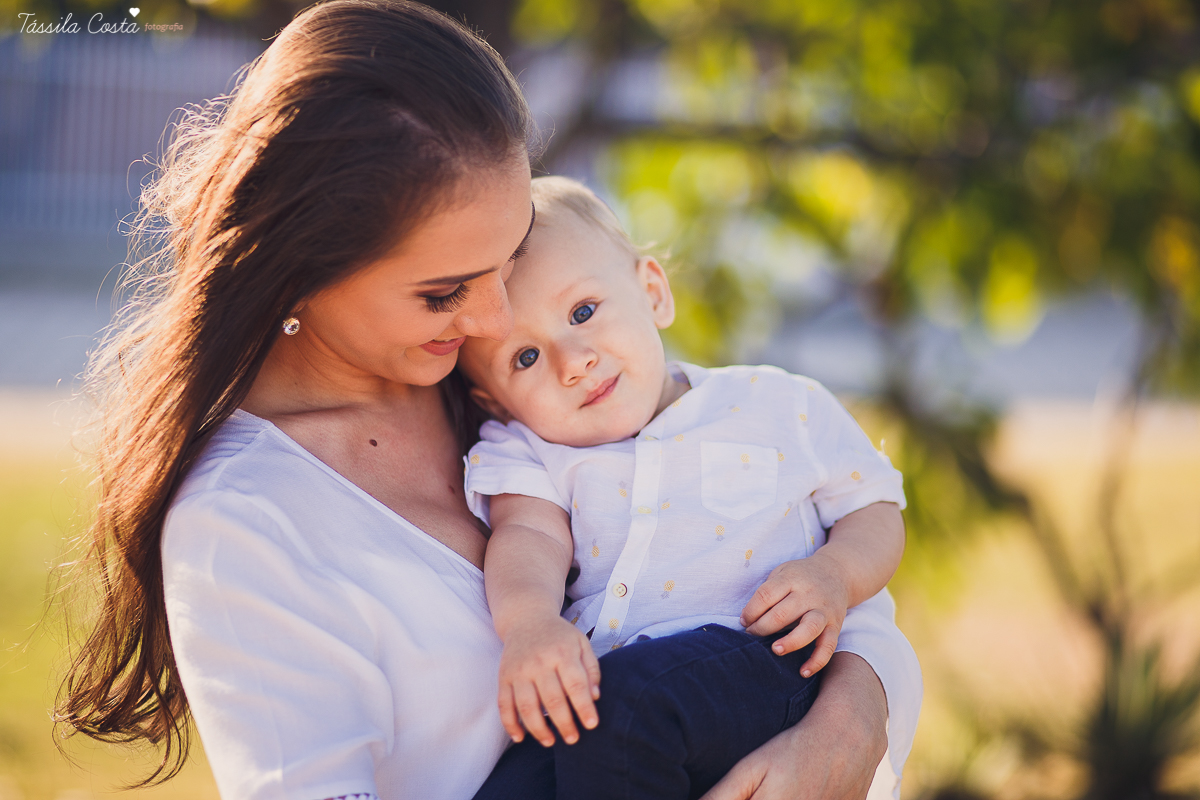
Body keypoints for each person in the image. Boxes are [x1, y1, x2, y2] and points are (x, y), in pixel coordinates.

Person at [55, 2, 920, 799]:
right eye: (445, 293)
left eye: (506, 263)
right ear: (303, 270)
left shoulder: (534, 383)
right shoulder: (245, 523)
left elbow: (798, 559)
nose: (498, 318)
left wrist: (851, 725)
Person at [456, 177, 913, 800]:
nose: (574, 361)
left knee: (627, 709)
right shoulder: (532, 451)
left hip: (761, 665)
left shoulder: (775, 403)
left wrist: (835, 577)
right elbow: (527, 537)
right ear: (495, 401)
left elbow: (875, 509)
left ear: (651, 293)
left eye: (583, 312)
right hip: (598, 690)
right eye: (526, 358)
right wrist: (532, 623)